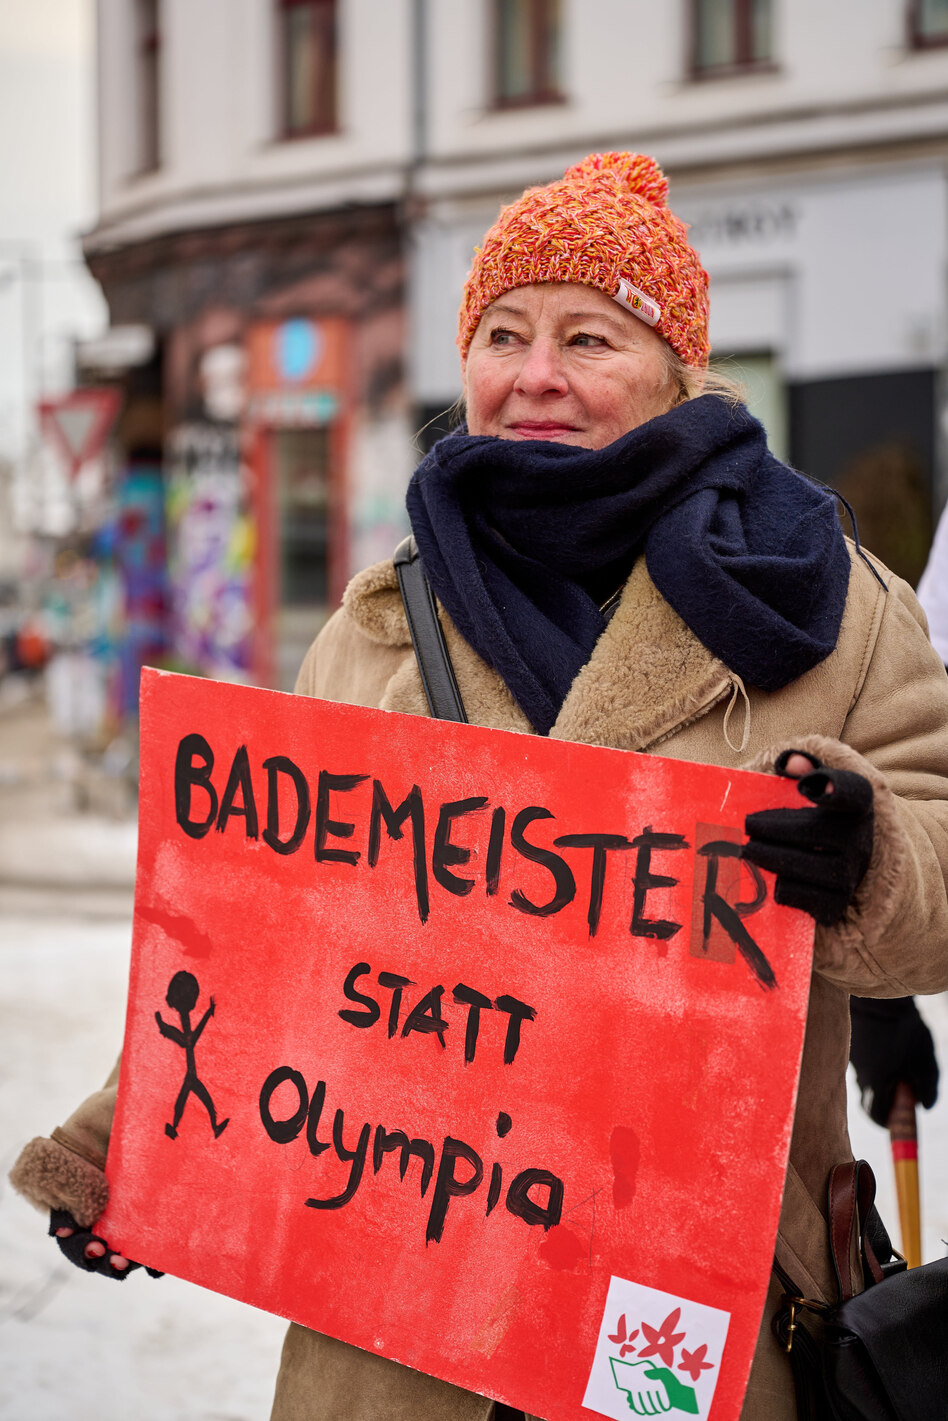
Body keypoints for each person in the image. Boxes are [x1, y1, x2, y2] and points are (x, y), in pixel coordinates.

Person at [11, 152, 948, 1421]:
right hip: (406, 1300)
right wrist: (143, 1145)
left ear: (678, 367)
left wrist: (870, 859)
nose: (536, 375)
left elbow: (938, 863)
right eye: (503, 334)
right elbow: (263, 938)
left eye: (588, 336)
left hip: (686, 1308)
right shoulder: (383, 623)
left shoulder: (829, 608)